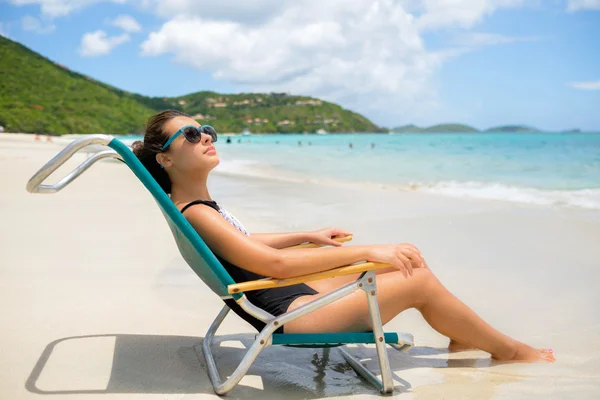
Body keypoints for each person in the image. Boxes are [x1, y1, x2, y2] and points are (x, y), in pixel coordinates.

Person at [132, 110, 554, 363]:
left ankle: (462, 334)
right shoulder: (198, 213)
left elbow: (247, 242)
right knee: (415, 277)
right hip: (294, 313)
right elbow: (271, 265)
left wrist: (308, 235)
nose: (205, 135)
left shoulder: (201, 209)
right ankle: (511, 351)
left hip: (285, 294)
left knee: (404, 261)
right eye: (190, 134)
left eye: (207, 130)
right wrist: (365, 250)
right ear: (165, 157)